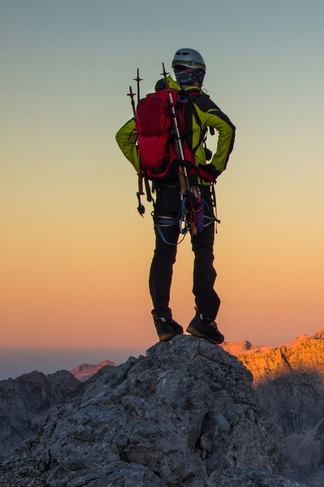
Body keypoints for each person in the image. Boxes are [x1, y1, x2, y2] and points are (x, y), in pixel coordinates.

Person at [115, 48, 236, 344]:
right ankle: (204, 319)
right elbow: (227, 129)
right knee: (203, 253)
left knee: (164, 254)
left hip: (165, 190)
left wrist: (145, 168)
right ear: (197, 74)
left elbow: (124, 136)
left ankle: (163, 320)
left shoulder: (156, 104)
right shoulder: (197, 102)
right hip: (195, 187)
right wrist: (213, 169)